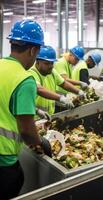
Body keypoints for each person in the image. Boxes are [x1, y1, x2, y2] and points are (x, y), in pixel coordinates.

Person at [0, 20, 52, 200]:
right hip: (3, 158)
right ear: (32, 50)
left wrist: (33, 108)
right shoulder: (25, 79)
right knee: (17, 181)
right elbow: (27, 131)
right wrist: (41, 142)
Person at [30, 45, 85, 115]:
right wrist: (61, 98)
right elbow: (39, 89)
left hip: (50, 115)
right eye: (46, 63)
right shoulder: (32, 73)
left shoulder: (52, 72)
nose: (50, 66)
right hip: (36, 118)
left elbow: (63, 83)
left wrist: (79, 91)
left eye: (52, 63)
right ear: (37, 62)